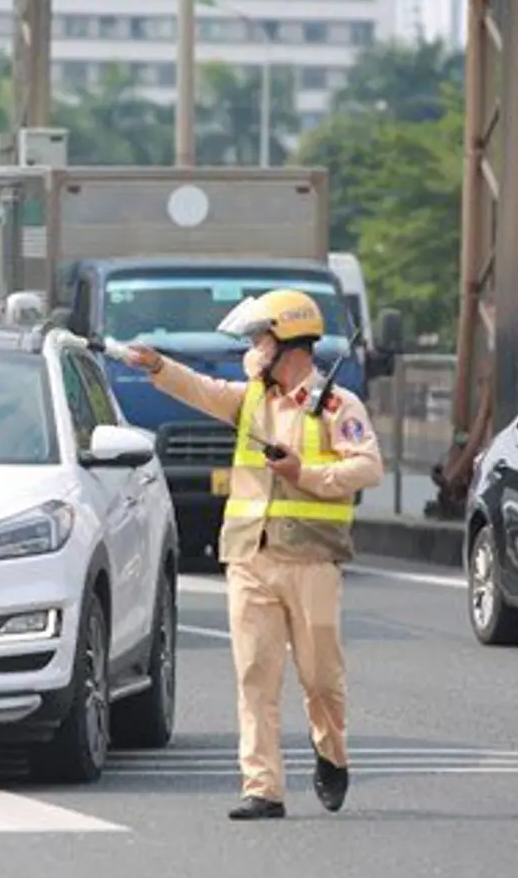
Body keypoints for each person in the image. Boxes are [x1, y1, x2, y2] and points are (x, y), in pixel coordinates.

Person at [120, 288, 383, 820]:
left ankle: (331, 753)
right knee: (255, 675)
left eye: (261, 337)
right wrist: (157, 366)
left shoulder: (336, 405)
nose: (254, 347)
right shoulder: (252, 399)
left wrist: (304, 474)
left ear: (288, 340)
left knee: (320, 679)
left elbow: (368, 468)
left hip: (311, 560)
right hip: (249, 558)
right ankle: (263, 788)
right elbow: (198, 389)